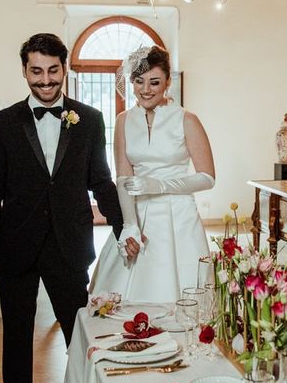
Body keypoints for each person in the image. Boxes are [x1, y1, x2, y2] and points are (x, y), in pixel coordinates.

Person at [0, 33, 138, 383]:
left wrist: (123, 226)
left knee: (80, 335)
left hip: (69, 245)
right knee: (17, 339)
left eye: (53, 71)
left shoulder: (90, 120)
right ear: (25, 70)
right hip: (16, 247)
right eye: (36, 71)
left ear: (65, 68)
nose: (45, 80)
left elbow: (100, 180)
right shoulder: (2, 123)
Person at [90, 44, 214, 303]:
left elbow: (207, 177)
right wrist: (130, 226)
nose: (145, 89)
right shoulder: (124, 120)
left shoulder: (187, 119)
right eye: (139, 81)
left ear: (168, 82)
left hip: (177, 216)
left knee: (182, 293)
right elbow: (123, 178)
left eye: (154, 82)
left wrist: (158, 185)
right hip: (138, 214)